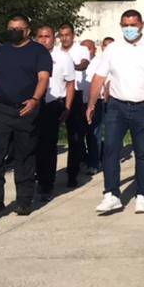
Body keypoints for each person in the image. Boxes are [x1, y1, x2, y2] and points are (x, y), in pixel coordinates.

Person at [87, 9, 144, 215]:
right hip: (117, 107)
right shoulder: (112, 49)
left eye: (133, 25)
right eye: (125, 25)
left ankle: (142, 195)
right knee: (110, 149)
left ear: (141, 26)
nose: (129, 29)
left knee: (143, 152)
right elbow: (99, 78)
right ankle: (111, 194)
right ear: (121, 26)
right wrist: (91, 104)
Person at [0, 15, 52, 218]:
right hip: (1, 110)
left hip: (26, 109)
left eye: (19, 28)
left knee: (25, 156)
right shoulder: (0, 52)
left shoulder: (39, 51)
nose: (14, 31)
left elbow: (43, 78)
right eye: (11, 27)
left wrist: (35, 100)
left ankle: (24, 201)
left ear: (28, 31)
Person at [32, 25, 75, 203]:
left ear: (54, 38)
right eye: (40, 36)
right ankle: (35, 177)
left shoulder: (63, 58)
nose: (43, 39)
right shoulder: (30, 55)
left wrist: (67, 107)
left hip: (52, 105)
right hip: (32, 105)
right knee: (31, 145)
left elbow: (70, 84)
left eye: (47, 36)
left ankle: (46, 185)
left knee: (48, 147)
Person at [57, 23, 92, 188]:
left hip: (76, 96)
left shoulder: (81, 50)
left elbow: (85, 63)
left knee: (75, 137)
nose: (64, 38)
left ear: (73, 35)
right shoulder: (55, 52)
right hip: (57, 96)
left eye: (67, 34)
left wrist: (72, 67)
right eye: (61, 35)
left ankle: (73, 172)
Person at [80, 38, 103, 175]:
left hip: (95, 101)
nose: (86, 52)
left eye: (88, 48)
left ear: (94, 49)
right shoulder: (75, 62)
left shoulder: (99, 62)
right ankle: (83, 159)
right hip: (78, 101)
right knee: (78, 134)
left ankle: (94, 162)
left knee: (94, 133)